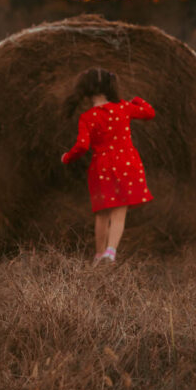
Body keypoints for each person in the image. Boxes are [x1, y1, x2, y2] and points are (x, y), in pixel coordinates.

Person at [61, 67, 155, 264]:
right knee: (119, 211)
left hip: (101, 167)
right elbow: (149, 112)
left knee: (102, 213)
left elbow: (82, 146)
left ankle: (98, 254)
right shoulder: (123, 107)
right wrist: (136, 99)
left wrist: (66, 158)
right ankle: (110, 253)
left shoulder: (87, 117)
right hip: (127, 163)